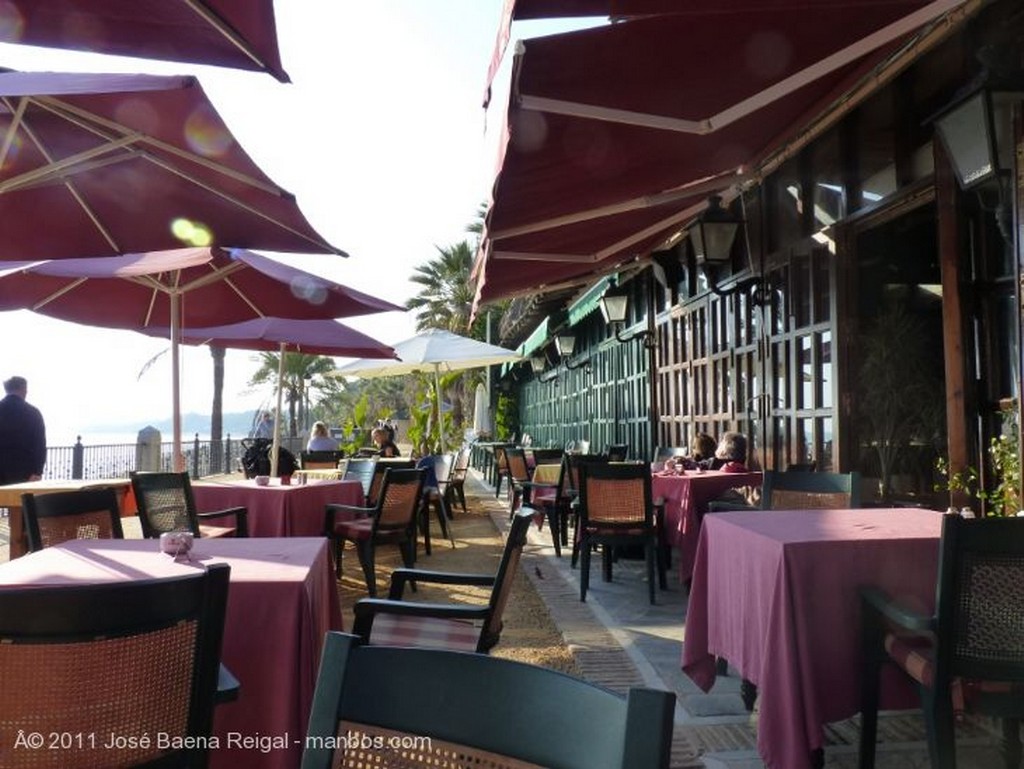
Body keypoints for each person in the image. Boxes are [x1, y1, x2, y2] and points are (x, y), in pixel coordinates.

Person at [0, 376, 47, 484]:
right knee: (21, 501)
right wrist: (37, 471)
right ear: (23, 390)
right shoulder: (33, 413)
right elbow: (40, 445)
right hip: (25, 473)